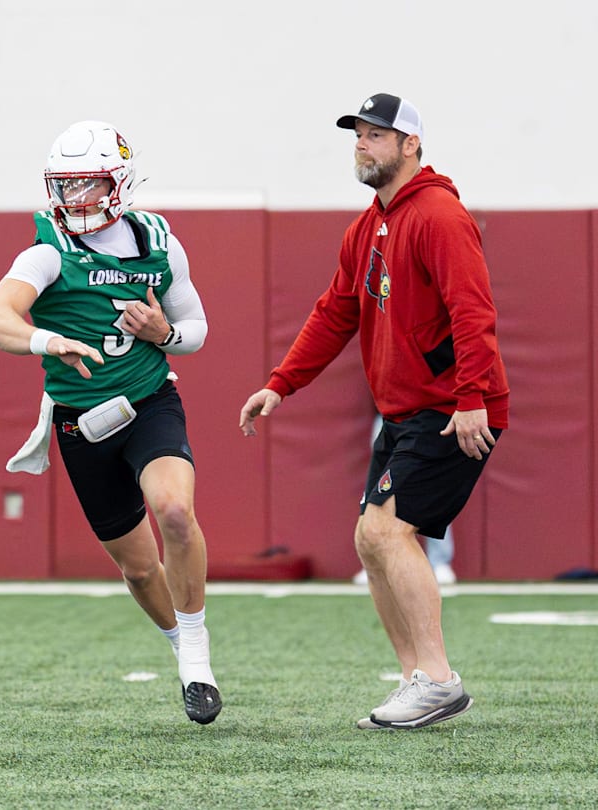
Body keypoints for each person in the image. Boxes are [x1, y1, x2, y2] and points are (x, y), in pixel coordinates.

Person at [238, 93, 508, 731]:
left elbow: (474, 312)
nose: (362, 144)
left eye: (377, 135)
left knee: (389, 533)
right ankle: (418, 678)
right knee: (370, 538)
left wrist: (471, 398)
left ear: (411, 145)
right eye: (358, 134)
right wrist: (282, 383)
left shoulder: (439, 215)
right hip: (406, 411)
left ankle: (438, 679)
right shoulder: (369, 225)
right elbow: (337, 311)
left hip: (450, 408)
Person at [0, 120, 221, 725]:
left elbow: (195, 331)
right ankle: (174, 641)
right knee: (138, 565)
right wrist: (45, 339)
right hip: (80, 422)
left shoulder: (161, 241)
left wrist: (163, 334)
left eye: (85, 185)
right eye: (64, 186)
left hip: (148, 402)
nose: (71, 200)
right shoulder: (46, 250)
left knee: (174, 510)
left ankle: (196, 653)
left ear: (118, 183)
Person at [353, 417, 456, 586]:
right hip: (389, 415)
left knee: (431, 488)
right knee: (379, 488)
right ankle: (375, 561)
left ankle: (439, 561)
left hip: (426, 415)